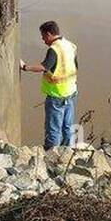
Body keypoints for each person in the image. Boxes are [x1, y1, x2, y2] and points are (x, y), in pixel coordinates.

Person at [20, 20, 78, 149]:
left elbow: (44, 67)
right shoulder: (70, 46)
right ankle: (67, 152)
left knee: (53, 129)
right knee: (67, 127)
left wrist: (25, 67)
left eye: (43, 37)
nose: (43, 40)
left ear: (49, 34)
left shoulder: (54, 49)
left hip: (56, 96)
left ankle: (51, 156)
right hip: (70, 93)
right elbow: (75, 67)